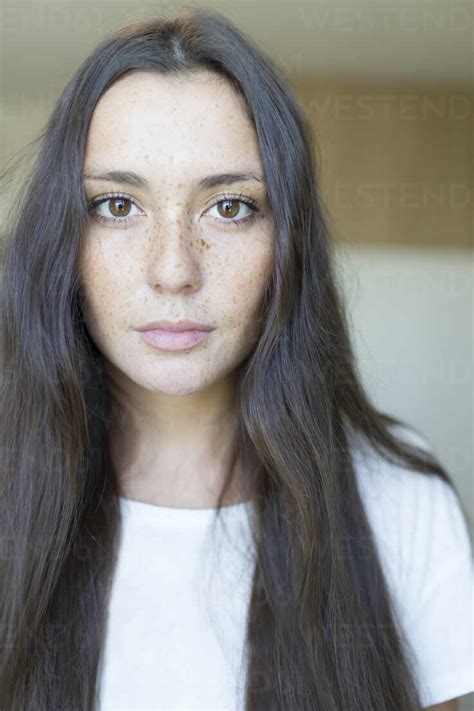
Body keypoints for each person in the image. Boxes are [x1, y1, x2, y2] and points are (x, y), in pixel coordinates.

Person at [0, 7, 472, 711]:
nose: (173, 270)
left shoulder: (397, 498)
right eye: (118, 205)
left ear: (289, 242)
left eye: (229, 207)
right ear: (61, 237)